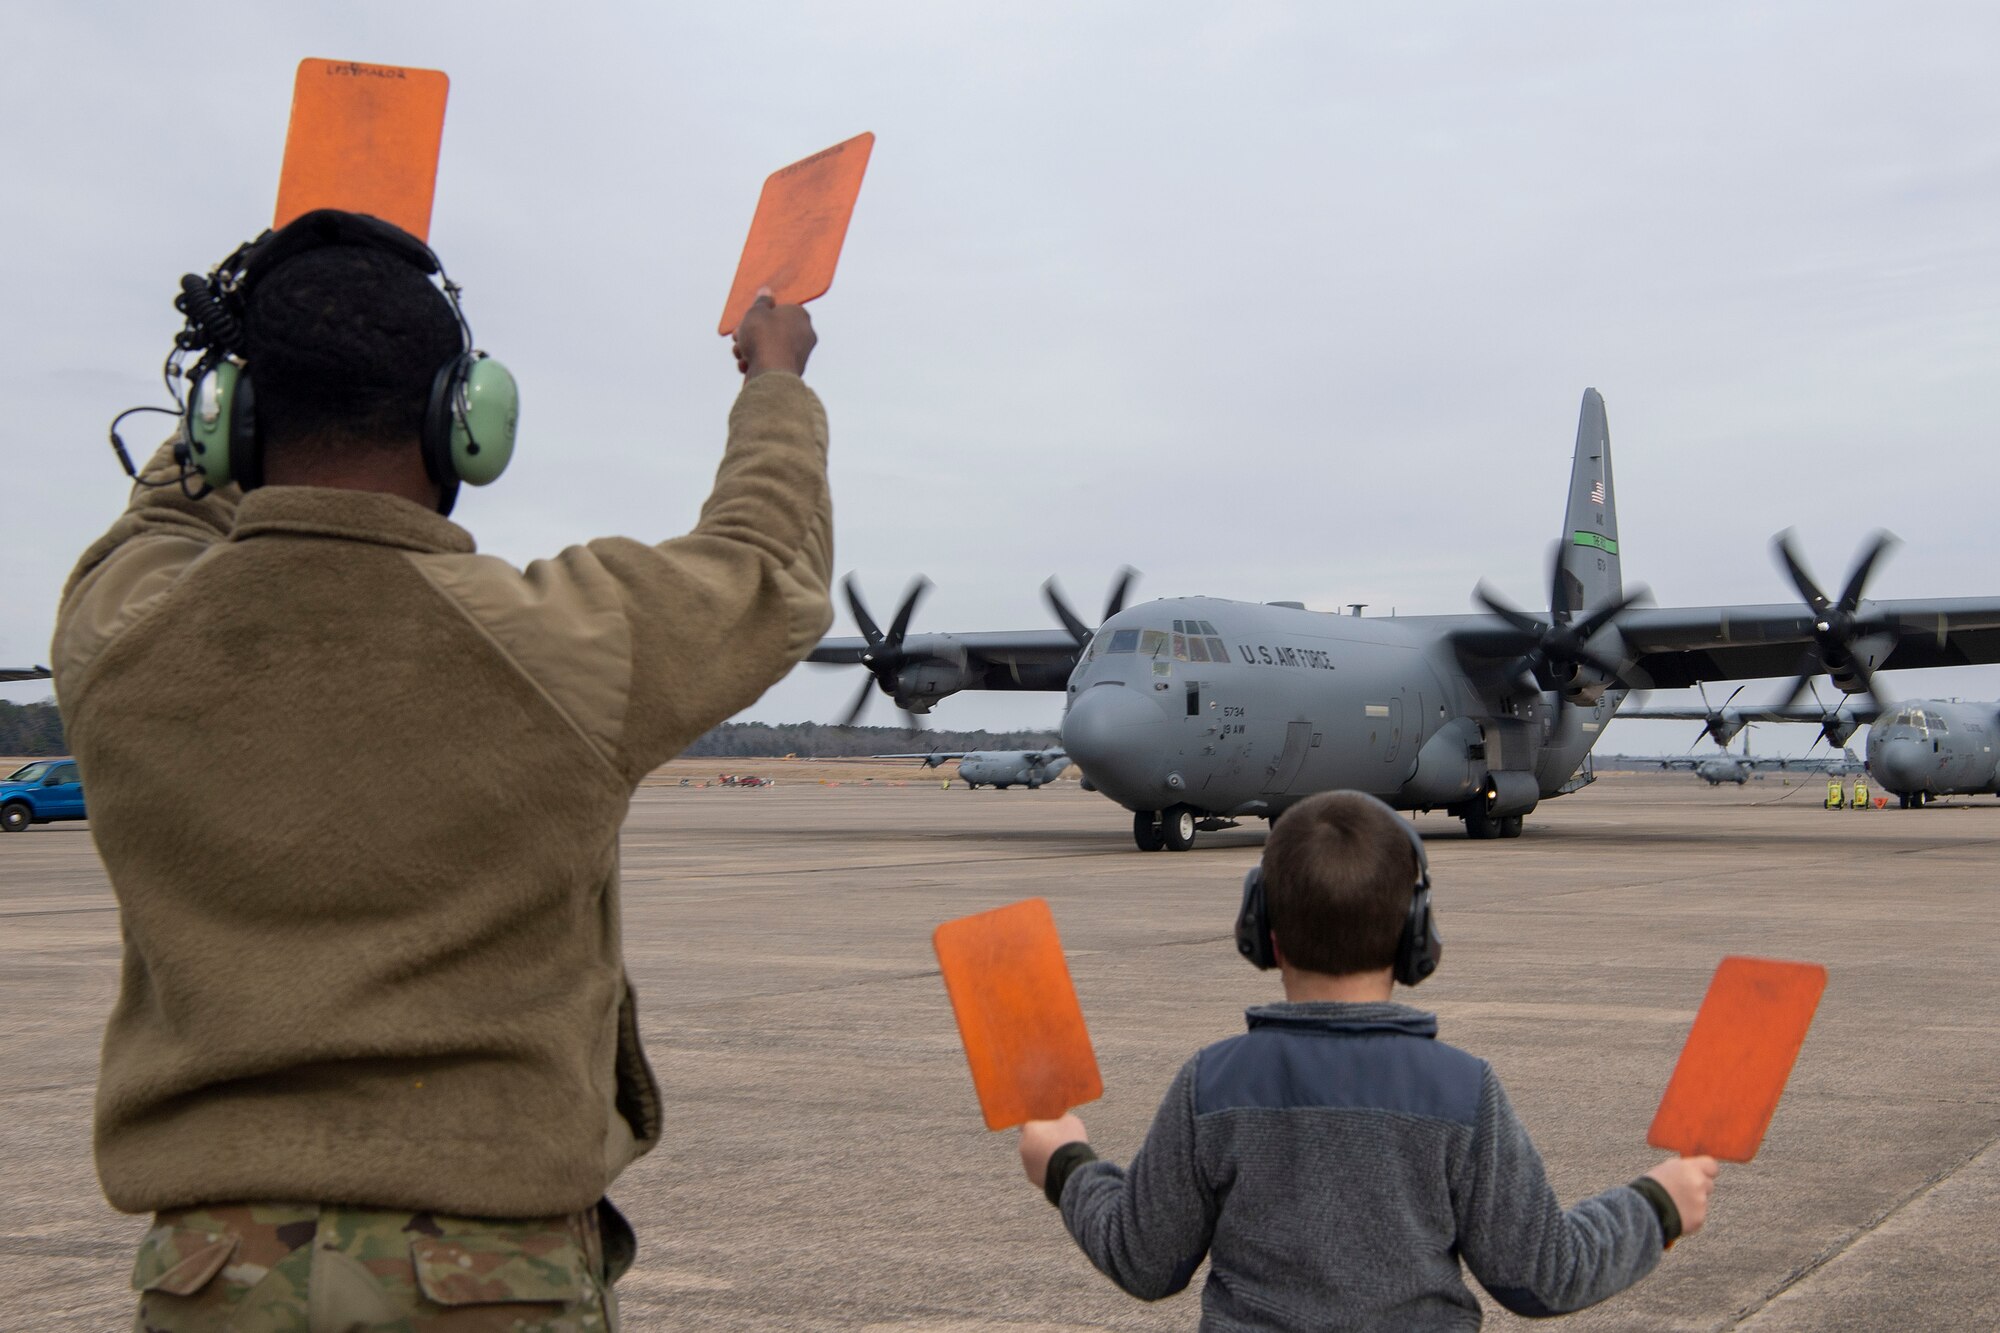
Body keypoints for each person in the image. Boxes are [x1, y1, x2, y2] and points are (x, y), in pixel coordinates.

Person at [54, 209, 833, 1329]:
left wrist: (230, 397)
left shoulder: (114, 632)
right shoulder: (566, 644)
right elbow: (762, 563)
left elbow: (168, 513)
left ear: (230, 423)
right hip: (487, 1281)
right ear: (464, 424)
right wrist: (775, 385)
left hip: (209, 1279)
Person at [1017, 790, 1720, 1330]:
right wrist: (1657, 1202)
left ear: (1263, 932)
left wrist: (1067, 1163)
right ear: (1417, 935)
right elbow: (1542, 1273)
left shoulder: (1214, 1083)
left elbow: (1146, 1260)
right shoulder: (1462, 1089)